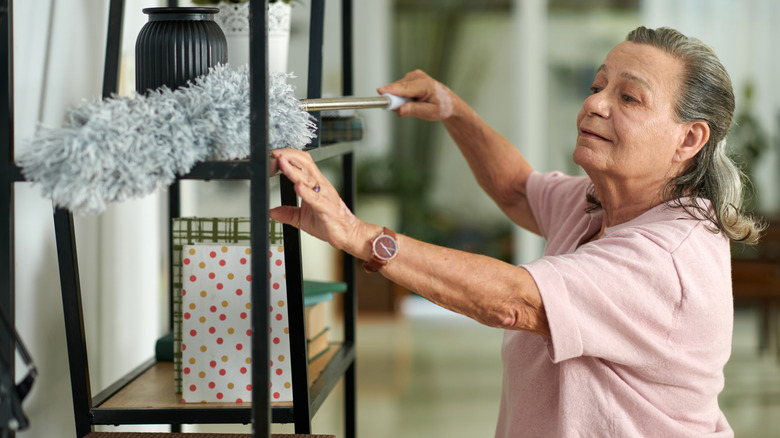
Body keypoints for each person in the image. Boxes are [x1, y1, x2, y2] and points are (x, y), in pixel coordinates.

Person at [270, 26, 763, 437]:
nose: (594, 105)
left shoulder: (668, 258)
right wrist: (453, 110)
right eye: (597, 86)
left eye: (629, 97)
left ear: (689, 139)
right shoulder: (599, 202)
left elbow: (516, 301)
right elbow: (515, 190)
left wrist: (358, 234)